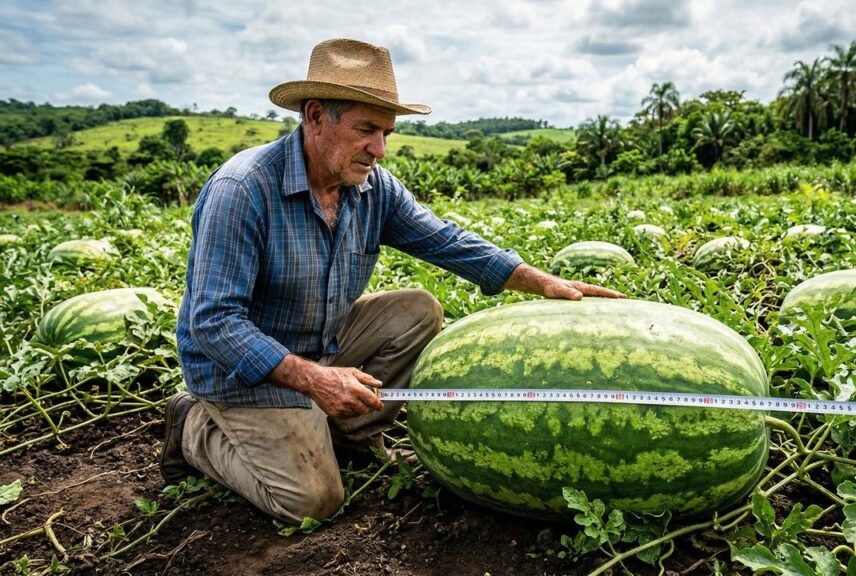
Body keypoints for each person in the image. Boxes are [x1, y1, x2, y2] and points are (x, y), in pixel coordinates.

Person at [161, 38, 624, 524]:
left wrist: (542, 282)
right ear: (316, 116)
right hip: (241, 374)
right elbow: (213, 322)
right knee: (311, 503)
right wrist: (315, 379)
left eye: (386, 133)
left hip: (323, 342)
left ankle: (352, 435)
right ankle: (193, 427)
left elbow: (446, 242)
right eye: (366, 129)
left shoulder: (370, 187)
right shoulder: (243, 190)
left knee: (417, 310)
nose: (378, 150)